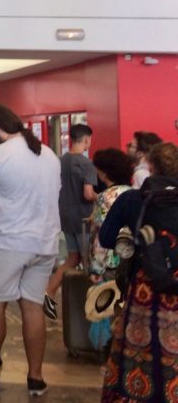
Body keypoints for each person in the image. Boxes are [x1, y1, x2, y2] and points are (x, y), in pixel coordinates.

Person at [0, 104, 60, 397]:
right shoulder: (49, 155)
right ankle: (36, 378)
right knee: (32, 308)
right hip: (44, 244)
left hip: (6, 243)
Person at [98, 141, 178, 402]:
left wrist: (134, 237)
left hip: (146, 288)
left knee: (139, 350)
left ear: (151, 167)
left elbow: (108, 238)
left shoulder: (133, 198)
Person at [44, 123, 96, 320]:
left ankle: (48, 292)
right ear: (86, 140)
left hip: (65, 216)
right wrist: (103, 197)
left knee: (73, 258)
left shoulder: (60, 161)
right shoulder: (86, 164)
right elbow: (88, 193)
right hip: (84, 219)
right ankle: (88, 306)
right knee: (89, 262)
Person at [86, 148, 134, 351]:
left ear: (104, 173)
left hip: (109, 261)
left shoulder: (105, 198)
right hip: (128, 258)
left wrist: (95, 268)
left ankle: (107, 350)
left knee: (106, 306)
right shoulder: (133, 194)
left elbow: (102, 234)